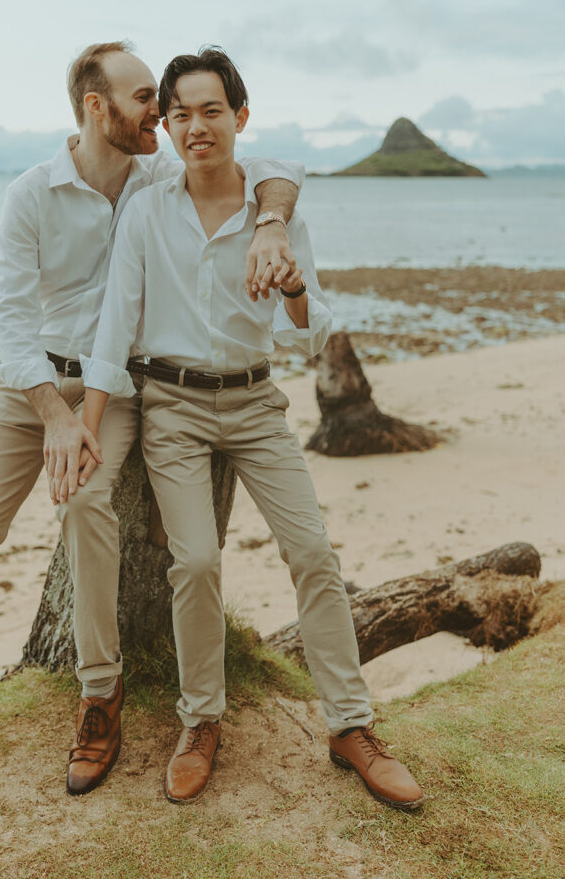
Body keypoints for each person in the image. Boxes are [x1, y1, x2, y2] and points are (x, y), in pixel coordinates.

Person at [0, 41, 303, 805]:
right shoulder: (30, 193)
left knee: (84, 503)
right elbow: (8, 322)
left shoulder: (158, 171)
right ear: (94, 107)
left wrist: (272, 222)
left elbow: (265, 160)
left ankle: (98, 697)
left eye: (163, 102)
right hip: (28, 392)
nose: (162, 113)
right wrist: (50, 413)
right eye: (146, 98)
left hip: (117, 391)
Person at [77, 47, 425, 811]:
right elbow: (113, 325)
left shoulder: (277, 213)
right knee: (195, 561)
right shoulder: (147, 208)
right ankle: (200, 722)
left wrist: (293, 285)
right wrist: (87, 424)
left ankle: (350, 726)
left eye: (210, 111)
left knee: (313, 554)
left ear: (238, 118)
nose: (195, 127)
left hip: (257, 404)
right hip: (170, 405)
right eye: (179, 114)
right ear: (164, 126)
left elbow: (307, 332)